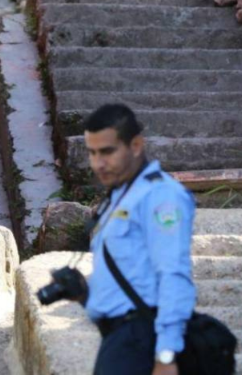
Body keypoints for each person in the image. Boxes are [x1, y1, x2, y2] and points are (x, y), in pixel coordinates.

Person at [83, 104, 195, 375]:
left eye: (107, 152)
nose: (98, 163)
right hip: (117, 339)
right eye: (92, 153)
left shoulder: (160, 196)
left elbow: (174, 273)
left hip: (140, 338)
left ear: (135, 145)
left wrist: (166, 354)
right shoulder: (120, 195)